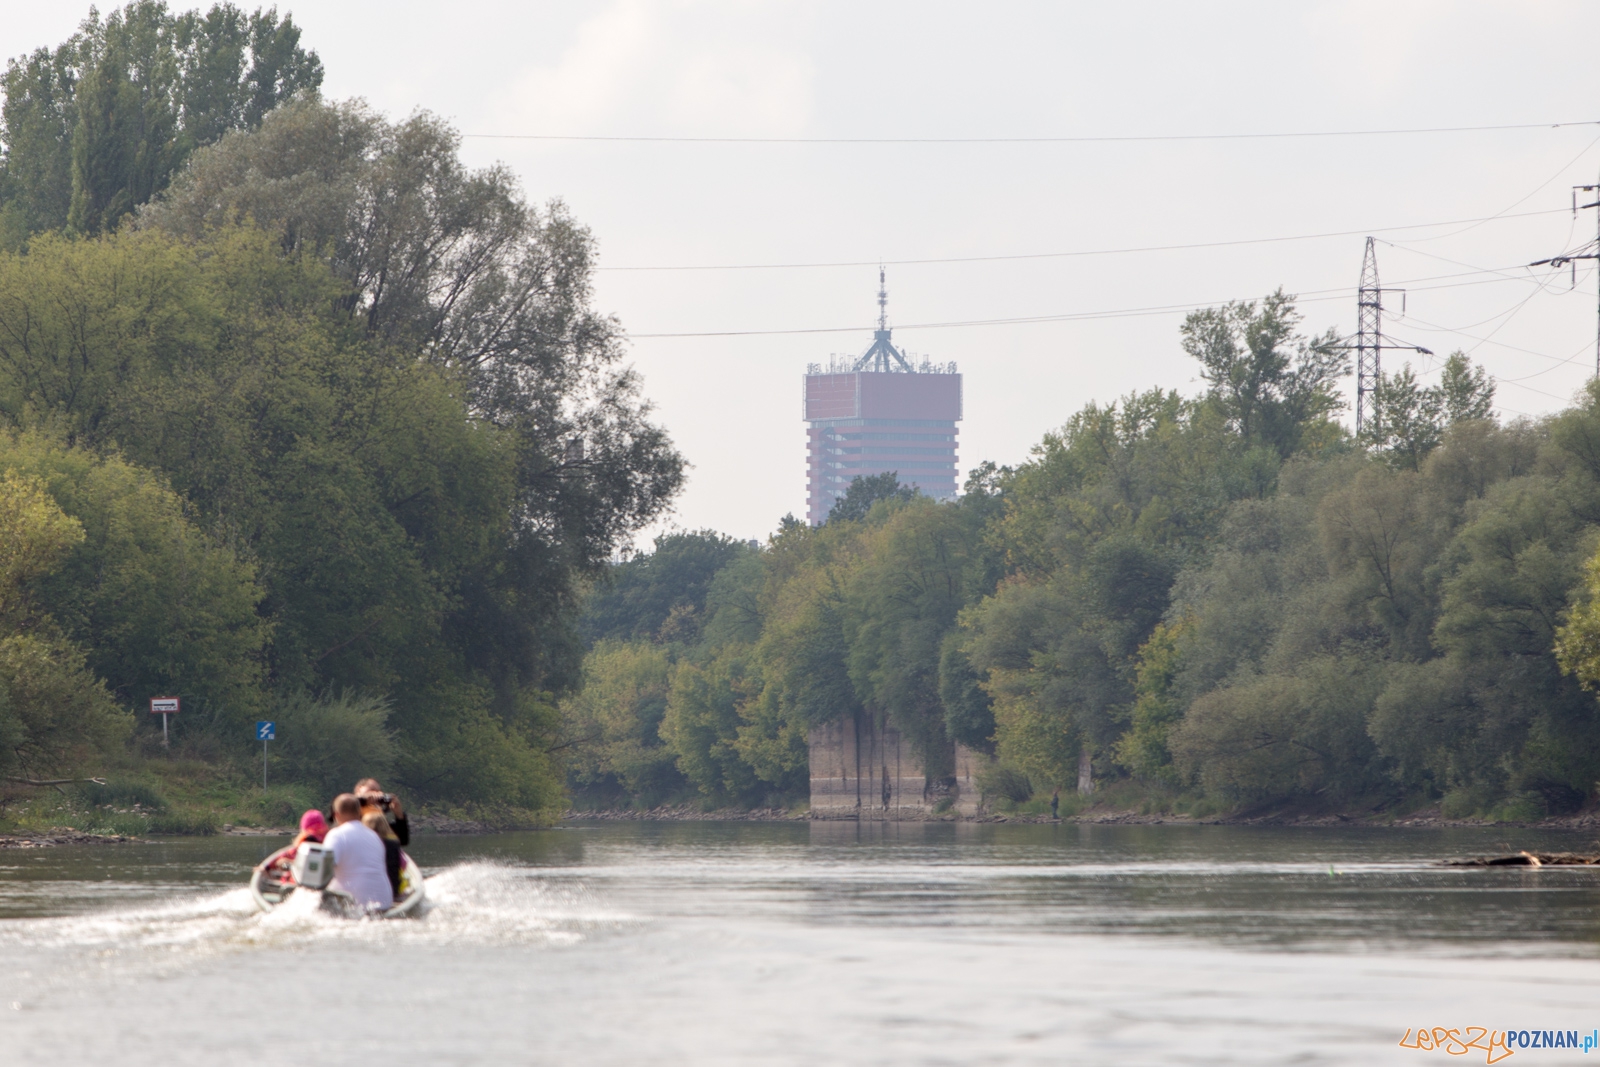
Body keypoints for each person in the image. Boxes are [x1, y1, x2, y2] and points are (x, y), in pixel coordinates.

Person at [324, 793, 393, 910]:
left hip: (355, 907)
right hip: (385, 902)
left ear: (336, 815)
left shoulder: (336, 835)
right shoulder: (375, 836)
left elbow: (323, 870)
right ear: (360, 813)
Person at [363, 809, 404, 901]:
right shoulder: (394, 844)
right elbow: (402, 865)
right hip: (392, 890)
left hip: (368, 890)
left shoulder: (363, 844)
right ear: (385, 826)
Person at [354, 778, 409, 846]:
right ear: (359, 789)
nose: (376, 794)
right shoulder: (350, 810)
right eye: (372, 789)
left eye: (378, 791)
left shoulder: (379, 816)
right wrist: (364, 800)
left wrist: (399, 816)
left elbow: (403, 841)